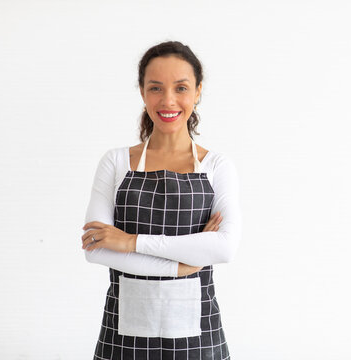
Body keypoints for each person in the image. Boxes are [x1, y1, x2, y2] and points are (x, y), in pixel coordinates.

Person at [81, 41, 241, 360]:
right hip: (123, 334)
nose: (168, 100)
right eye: (156, 87)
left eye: (180, 87)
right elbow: (96, 250)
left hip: (198, 334)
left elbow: (224, 248)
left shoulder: (216, 166)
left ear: (197, 92)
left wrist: (129, 242)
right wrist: (185, 264)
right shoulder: (115, 162)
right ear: (142, 92)